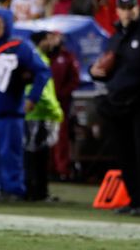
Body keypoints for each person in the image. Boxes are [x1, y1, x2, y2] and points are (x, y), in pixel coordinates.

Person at [91, 0, 140, 216]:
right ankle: (135, 200)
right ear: (117, 10)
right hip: (119, 103)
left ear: (137, 8)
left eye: (131, 7)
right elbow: (109, 68)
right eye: (123, 7)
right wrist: (95, 73)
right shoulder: (117, 36)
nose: (127, 11)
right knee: (125, 154)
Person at [0, 8, 50, 200]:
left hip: (10, 110)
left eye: (1, 24)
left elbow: (43, 71)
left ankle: (12, 188)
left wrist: (32, 98)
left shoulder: (20, 46)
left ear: (9, 25)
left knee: (10, 153)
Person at [24, 31, 63, 201]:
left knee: (36, 154)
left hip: (36, 113)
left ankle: (37, 191)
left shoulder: (37, 58)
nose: (52, 42)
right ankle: (37, 192)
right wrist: (56, 111)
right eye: (48, 39)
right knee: (37, 155)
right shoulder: (37, 59)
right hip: (39, 113)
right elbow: (43, 93)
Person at [46, 32, 80, 181]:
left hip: (61, 104)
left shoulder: (67, 57)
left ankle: (62, 170)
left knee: (61, 137)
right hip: (44, 103)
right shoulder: (43, 55)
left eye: (55, 36)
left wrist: (62, 94)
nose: (52, 40)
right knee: (46, 137)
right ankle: (49, 168)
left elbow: (74, 79)